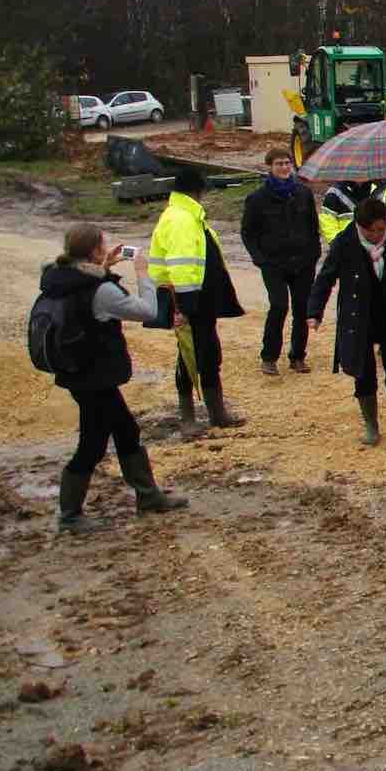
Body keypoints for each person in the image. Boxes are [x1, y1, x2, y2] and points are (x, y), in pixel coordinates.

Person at [39, 224, 188, 532]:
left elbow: (84, 292)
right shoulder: (100, 289)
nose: (105, 250)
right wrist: (143, 273)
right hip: (94, 375)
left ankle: (148, 496)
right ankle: (70, 516)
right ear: (94, 250)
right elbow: (146, 310)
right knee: (92, 444)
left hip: (78, 371)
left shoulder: (61, 277)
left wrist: (103, 268)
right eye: (102, 247)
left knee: (126, 430)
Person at [307, 196, 386, 447]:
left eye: (381, 229)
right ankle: (371, 427)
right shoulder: (345, 242)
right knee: (363, 371)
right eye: (371, 231)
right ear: (360, 226)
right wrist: (314, 312)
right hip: (359, 316)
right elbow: (325, 278)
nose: (377, 235)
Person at [148, 165, 246, 428]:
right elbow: (180, 265)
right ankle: (190, 419)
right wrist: (185, 305)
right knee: (191, 356)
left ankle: (216, 414)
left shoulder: (187, 215)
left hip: (198, 300)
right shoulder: (181, 219)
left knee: (208, 354)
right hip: (189, 301)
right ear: (197, 191)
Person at [240, 148, 321, 376]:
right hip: (273, 263)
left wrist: (313, 254)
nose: (284, 167)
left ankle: (297, 356)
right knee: (278, 306)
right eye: (279, 164)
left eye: (287, 163)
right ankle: (269, 357)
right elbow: (247, 232)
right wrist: (260, 259)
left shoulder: (303, 193)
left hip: (303, 262)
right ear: (270, 167)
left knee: (302, 309)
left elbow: (313, 227)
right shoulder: (257, 199)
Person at [318, 180, 386, 248]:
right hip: (347, 246)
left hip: (378, 246)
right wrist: (337, 244)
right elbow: (327, 221)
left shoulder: (382, 191)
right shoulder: (335, 193)